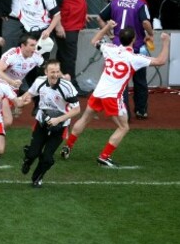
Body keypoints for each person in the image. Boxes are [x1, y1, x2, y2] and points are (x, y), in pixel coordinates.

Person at [60, 22, 170, 167]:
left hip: (98, 92)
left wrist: (106, 27)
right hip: (112, 97)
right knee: (124, 127)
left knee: (85, 118)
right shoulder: (134, 58)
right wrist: (166, 42)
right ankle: (104, 157)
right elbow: (160, 61)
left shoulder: (110, 49)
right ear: (133, 40)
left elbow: (94, 41)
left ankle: (68, 146)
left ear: (119, 38)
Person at [99, 0, 155, 119]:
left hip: (118, 47)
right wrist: (150, 34)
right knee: (140, 81)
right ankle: (141, 110)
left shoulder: (116, 1)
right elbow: (146, 23)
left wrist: (110, 33)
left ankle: (124, 113)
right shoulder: (141, 4)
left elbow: (100, 17)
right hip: (136, 47)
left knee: (120, 81)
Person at [20, 59, 80, 187]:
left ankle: (37, 178)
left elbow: (77, 110)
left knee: (47, 157)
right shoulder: (39, 82)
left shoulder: (67, 87)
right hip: (42, 122)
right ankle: (28, 160)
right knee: (33, 153)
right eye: (52, 72)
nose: (55, 75)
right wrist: (20, 101)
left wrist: (58, 119)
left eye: (57, 71)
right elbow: (30, 94)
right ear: (46, 72)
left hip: (60, 126)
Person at [50, 0, 88, 91]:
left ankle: (61, 85)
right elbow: (54, 8)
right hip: (66, 27)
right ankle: (72, 86)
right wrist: (59, 26)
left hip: (73, 25)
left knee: (63, 56)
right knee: (69, 58)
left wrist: (84, 13)